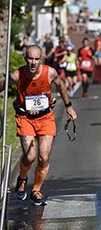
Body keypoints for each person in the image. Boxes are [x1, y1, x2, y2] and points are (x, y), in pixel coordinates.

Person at [0, 45, 77, 205]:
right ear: (25, 59)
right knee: (30, 156)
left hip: (45, 118)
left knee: (43, 157)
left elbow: (61, 86)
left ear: (40, 59)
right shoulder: (17, 75)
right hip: (25, 118)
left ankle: (36, 189)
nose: (33, 62)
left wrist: (69, 106)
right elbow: (2, 84)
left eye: (36, 59)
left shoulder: (50, 73)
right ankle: (22, 179)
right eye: (30, 59)